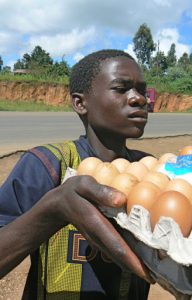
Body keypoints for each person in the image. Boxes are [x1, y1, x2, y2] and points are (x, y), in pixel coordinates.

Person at [0, 49, 155, 300]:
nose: (139, 99)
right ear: (80, 103)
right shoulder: (47, 165)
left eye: (141, 90)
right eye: (121, 88)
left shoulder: (150, 169)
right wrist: (53, 209)